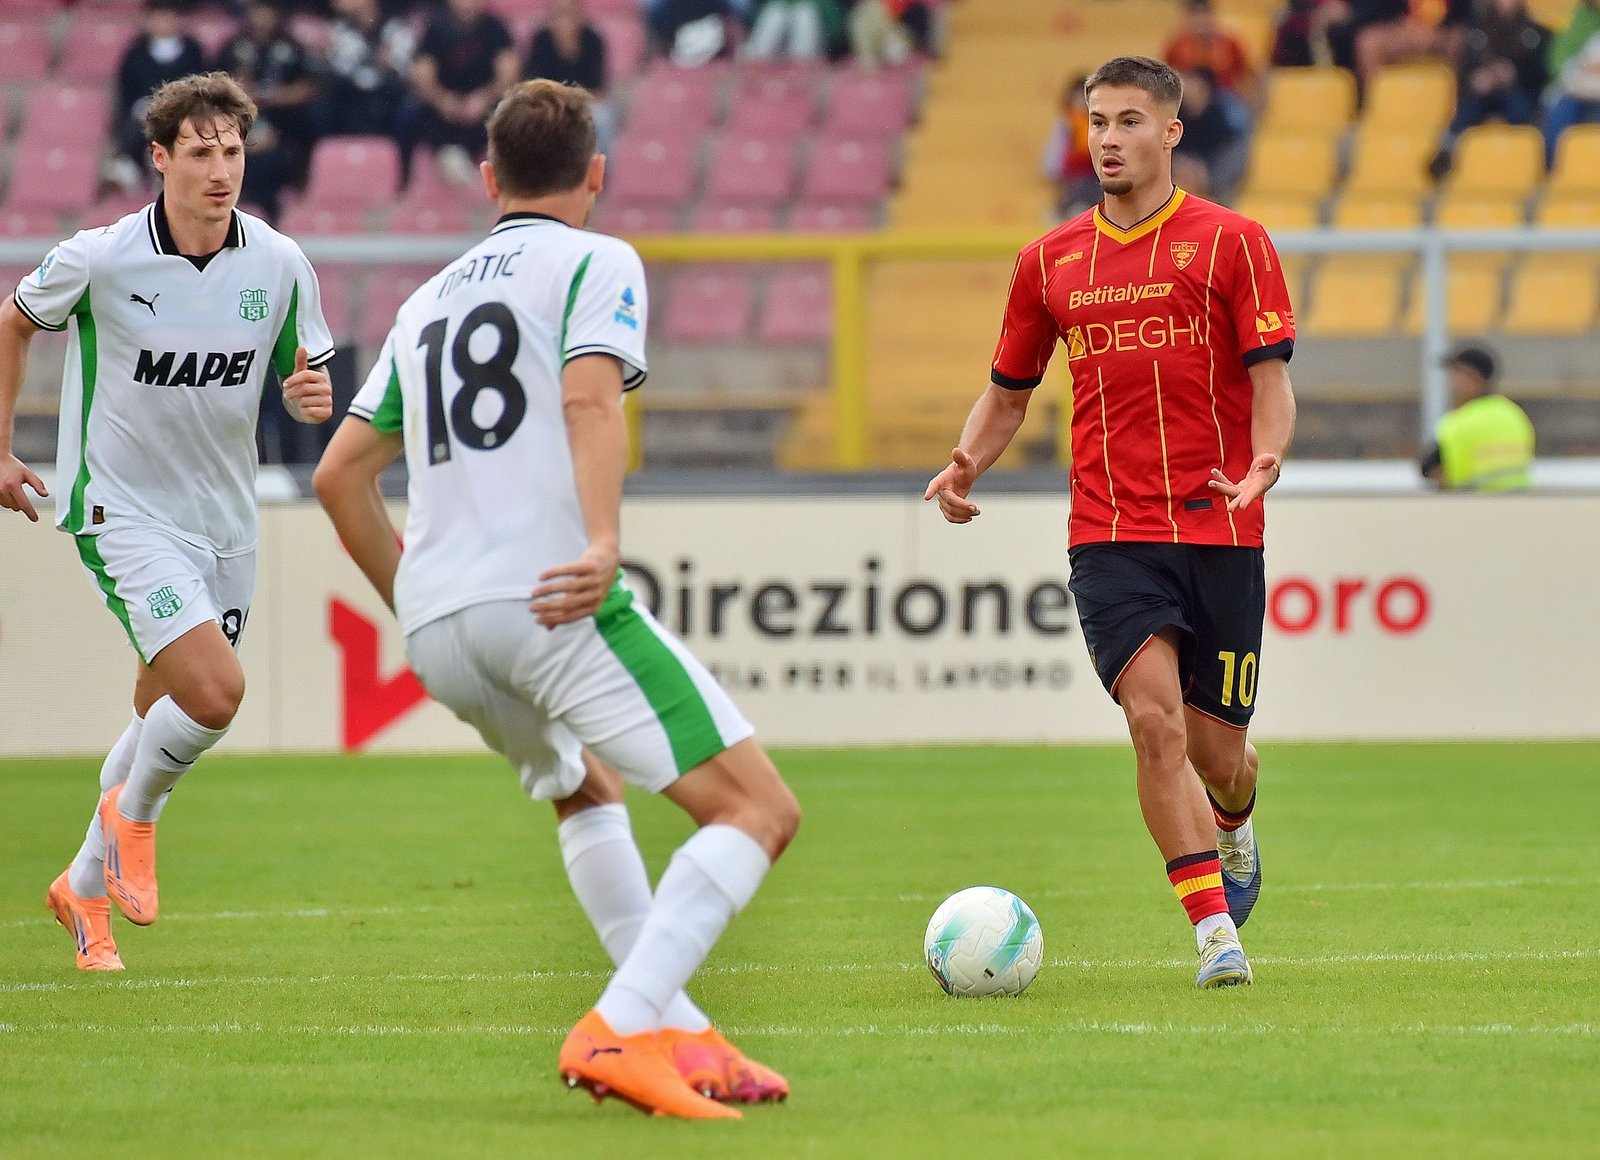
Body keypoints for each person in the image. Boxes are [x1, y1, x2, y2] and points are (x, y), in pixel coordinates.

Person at [311, 79, 801, 1118]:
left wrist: (420, 599)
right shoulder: (595, 259)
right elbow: (588, 397)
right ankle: (619, 1026)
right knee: (757, 809)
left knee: (585, 788)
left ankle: (679, 1033)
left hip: (440, 624)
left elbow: (338, 475)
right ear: (597, 174)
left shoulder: (424, 302)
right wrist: (605, 543)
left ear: (488, 177)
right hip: (546, 597)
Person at [924, 56, 1296, 990]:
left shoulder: (1234, 243)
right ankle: (1215, 934)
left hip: (1221, 525)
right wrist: (967, 458)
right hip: (1111, 532)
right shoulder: (1048, 261)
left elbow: (1269, 381)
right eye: (1097, 122)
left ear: (1171, 132)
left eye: (1130, 121)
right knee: (1153, 723)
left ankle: (1236, 820)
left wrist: (1266, 459)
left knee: (1218, 755)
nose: (1109, 139)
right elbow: (1008, 394)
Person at [0, 73, 335, 972]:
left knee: (162, 709)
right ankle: (135, 818)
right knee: (215, 694)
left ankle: (82, 888)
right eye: (200, 152)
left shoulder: (279, 263)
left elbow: (305, 381)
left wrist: (307, 397)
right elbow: (13, 323)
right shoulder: (103, 257)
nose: (220, 170)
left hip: (223, 520)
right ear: (160, 157)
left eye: (233, 151)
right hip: (120, 510)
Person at [212, 0, 322, 221]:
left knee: (276, 160)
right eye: (257, 12)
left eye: (267, 12)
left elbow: (308, 88)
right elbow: (212, 87)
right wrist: (238, 91)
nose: (262, 18)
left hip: (283, 127)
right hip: (236, 127)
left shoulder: (292, 48)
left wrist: (277, 96)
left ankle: (272, 216)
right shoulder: (233, 47)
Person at [1429, 0, 1548, 179]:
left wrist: (1513, 73)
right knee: (1469, 107)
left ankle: (1528, 159)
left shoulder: (1534, 32)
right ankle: (1446, 151)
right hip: (1484, 90)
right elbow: (1466, 66)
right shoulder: (1478, 31)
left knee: (1520, 109)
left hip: (1518, 92)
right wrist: (1478, 77)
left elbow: (1541, 71)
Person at [409, 0, 521, 185]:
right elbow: (422, 72)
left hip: (485, 109)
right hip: (445, 111)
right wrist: (443, 100)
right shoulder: (436, 28)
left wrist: (484, 97)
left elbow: (509, 73)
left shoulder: (495, 29)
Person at [108, 0, 208, 193]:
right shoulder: (135, 54)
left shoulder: (193, 52)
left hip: (183, 117)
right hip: (141, 119)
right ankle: (132, 168)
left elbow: (200, 89)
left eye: (167, 17)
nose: (163, 22)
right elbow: (126, 92)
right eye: (158, 17)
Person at [1420, 342, 1534, 489]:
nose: (1451, 381)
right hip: (1519, 500)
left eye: (1456, 374)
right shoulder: (1515, 415)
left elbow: (1430, 469)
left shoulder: (1457, 423)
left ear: (1472, 377)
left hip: (1472, 500)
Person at [314, 0, 419, 143]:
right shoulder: (337, 30)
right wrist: (326, 56)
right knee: (321, 108)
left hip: (387, 98)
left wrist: (391, 64)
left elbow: (408, 70)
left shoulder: (397, 28)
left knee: (410, 107)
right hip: (350, 97)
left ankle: (401, 156)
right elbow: (335, 69)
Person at [523, 0, 616, 154]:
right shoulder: (541, 40)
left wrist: (574, 103)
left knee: (602, 119)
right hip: (548, 104)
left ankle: (601, 164)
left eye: (569, 13)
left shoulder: (593, 40)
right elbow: (533, 84)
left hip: (586, 103)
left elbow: (598, 87)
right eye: (560, 14)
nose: (565, 20)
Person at [1542, 0, 1600, 168]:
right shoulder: (1577, 21)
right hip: (1576, 90)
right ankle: (1553, 168)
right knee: (1561, 111)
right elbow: (1558, 63)